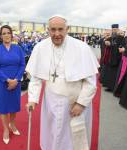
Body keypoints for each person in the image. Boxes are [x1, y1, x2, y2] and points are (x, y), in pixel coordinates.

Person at [26, 15, 99, 150]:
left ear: (67, 29)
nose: (57, 34)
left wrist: (81, 103)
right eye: (53, 30)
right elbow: (35, 78)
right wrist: (32, 99)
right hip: (51, 102)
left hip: (75, 103)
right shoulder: (40, 48)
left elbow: (91, 82)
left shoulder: (82, 48)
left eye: (60, 29)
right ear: (48, 30)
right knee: (53, 135)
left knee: (73, 138)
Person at [0, 25, 25, 144]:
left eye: (8, 33)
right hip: (2, 83)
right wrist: (7, 80)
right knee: (4, 108)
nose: (6, 35)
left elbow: (22, 64)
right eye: (4, 33)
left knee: (13, 106)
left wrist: (16, 80)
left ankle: (13, 124)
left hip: (16, 82)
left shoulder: (18, 49)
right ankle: (6, 129)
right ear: (1, 36)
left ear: (12, 34)